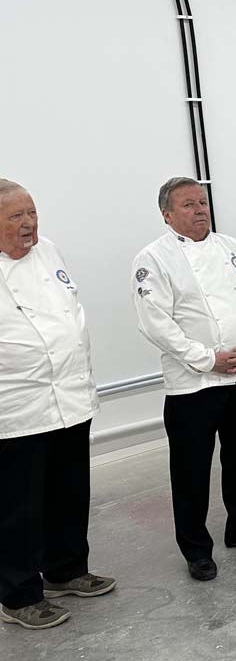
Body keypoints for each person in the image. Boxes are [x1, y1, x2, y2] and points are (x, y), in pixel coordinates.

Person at [131, 178, 236, 582]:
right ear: (166, 214)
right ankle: (196, 550)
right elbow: (156, 324)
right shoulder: (153, 259)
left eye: (202, 202)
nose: (200, 209)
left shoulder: (232, 248)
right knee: (191, 471)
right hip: (192, 385)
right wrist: (207, 359)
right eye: (188, 204)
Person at [0, 180, 115, 630]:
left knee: (69, 491)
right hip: (17, 406)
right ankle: (18, 595)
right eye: (16, 216)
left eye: (31, 212)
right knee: (18, 507)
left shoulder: (48, 251)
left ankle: (66, 570)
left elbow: (71, 311)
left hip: (69, 394)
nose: (29, 223)